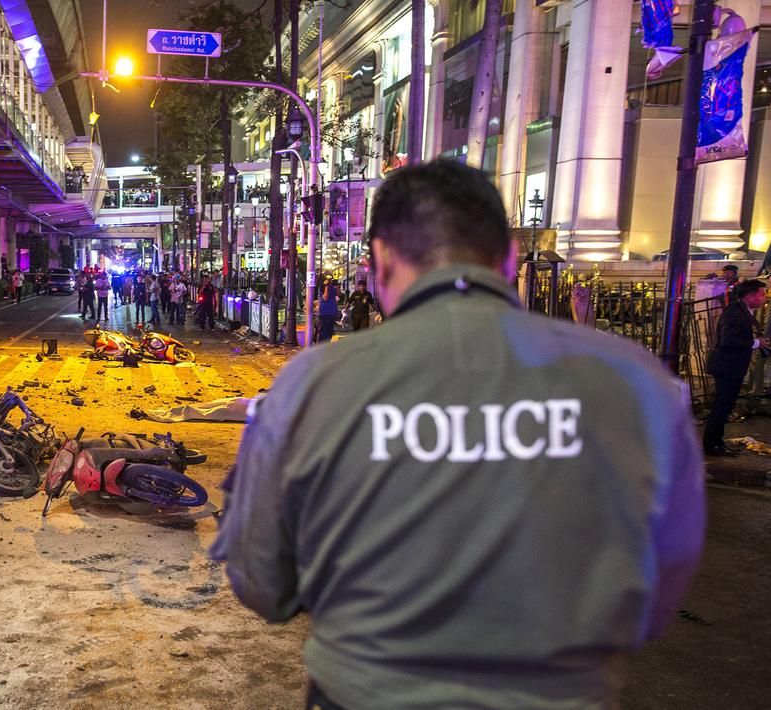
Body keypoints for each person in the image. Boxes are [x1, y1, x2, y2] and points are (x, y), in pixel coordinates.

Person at [211, 159, 705, 710]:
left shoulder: (315, 382)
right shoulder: (635, 380)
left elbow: (262, 583)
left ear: (380, 261)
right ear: (510, 259)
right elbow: (662, 585)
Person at [703, 278, 768, 456]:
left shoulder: (743, 311)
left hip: (732, 367)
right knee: (722, 406)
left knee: (725, 405)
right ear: (750, 296)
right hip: (727, 367)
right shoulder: (734, 313)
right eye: (762, 295)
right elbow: (728, 341)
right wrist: (756, 343)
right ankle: (711, 444)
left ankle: (716, 441)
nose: (764, 299)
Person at [317, 278, 340, 343]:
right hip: (325, 312)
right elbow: (325, 297)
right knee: (324, 331)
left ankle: (326, 345)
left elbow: (339, 295)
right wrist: (326, 287)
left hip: (331, 312)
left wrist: (337, 287)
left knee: (329, 331)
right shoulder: (322, 289)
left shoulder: (332, 288)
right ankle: (322, 345)